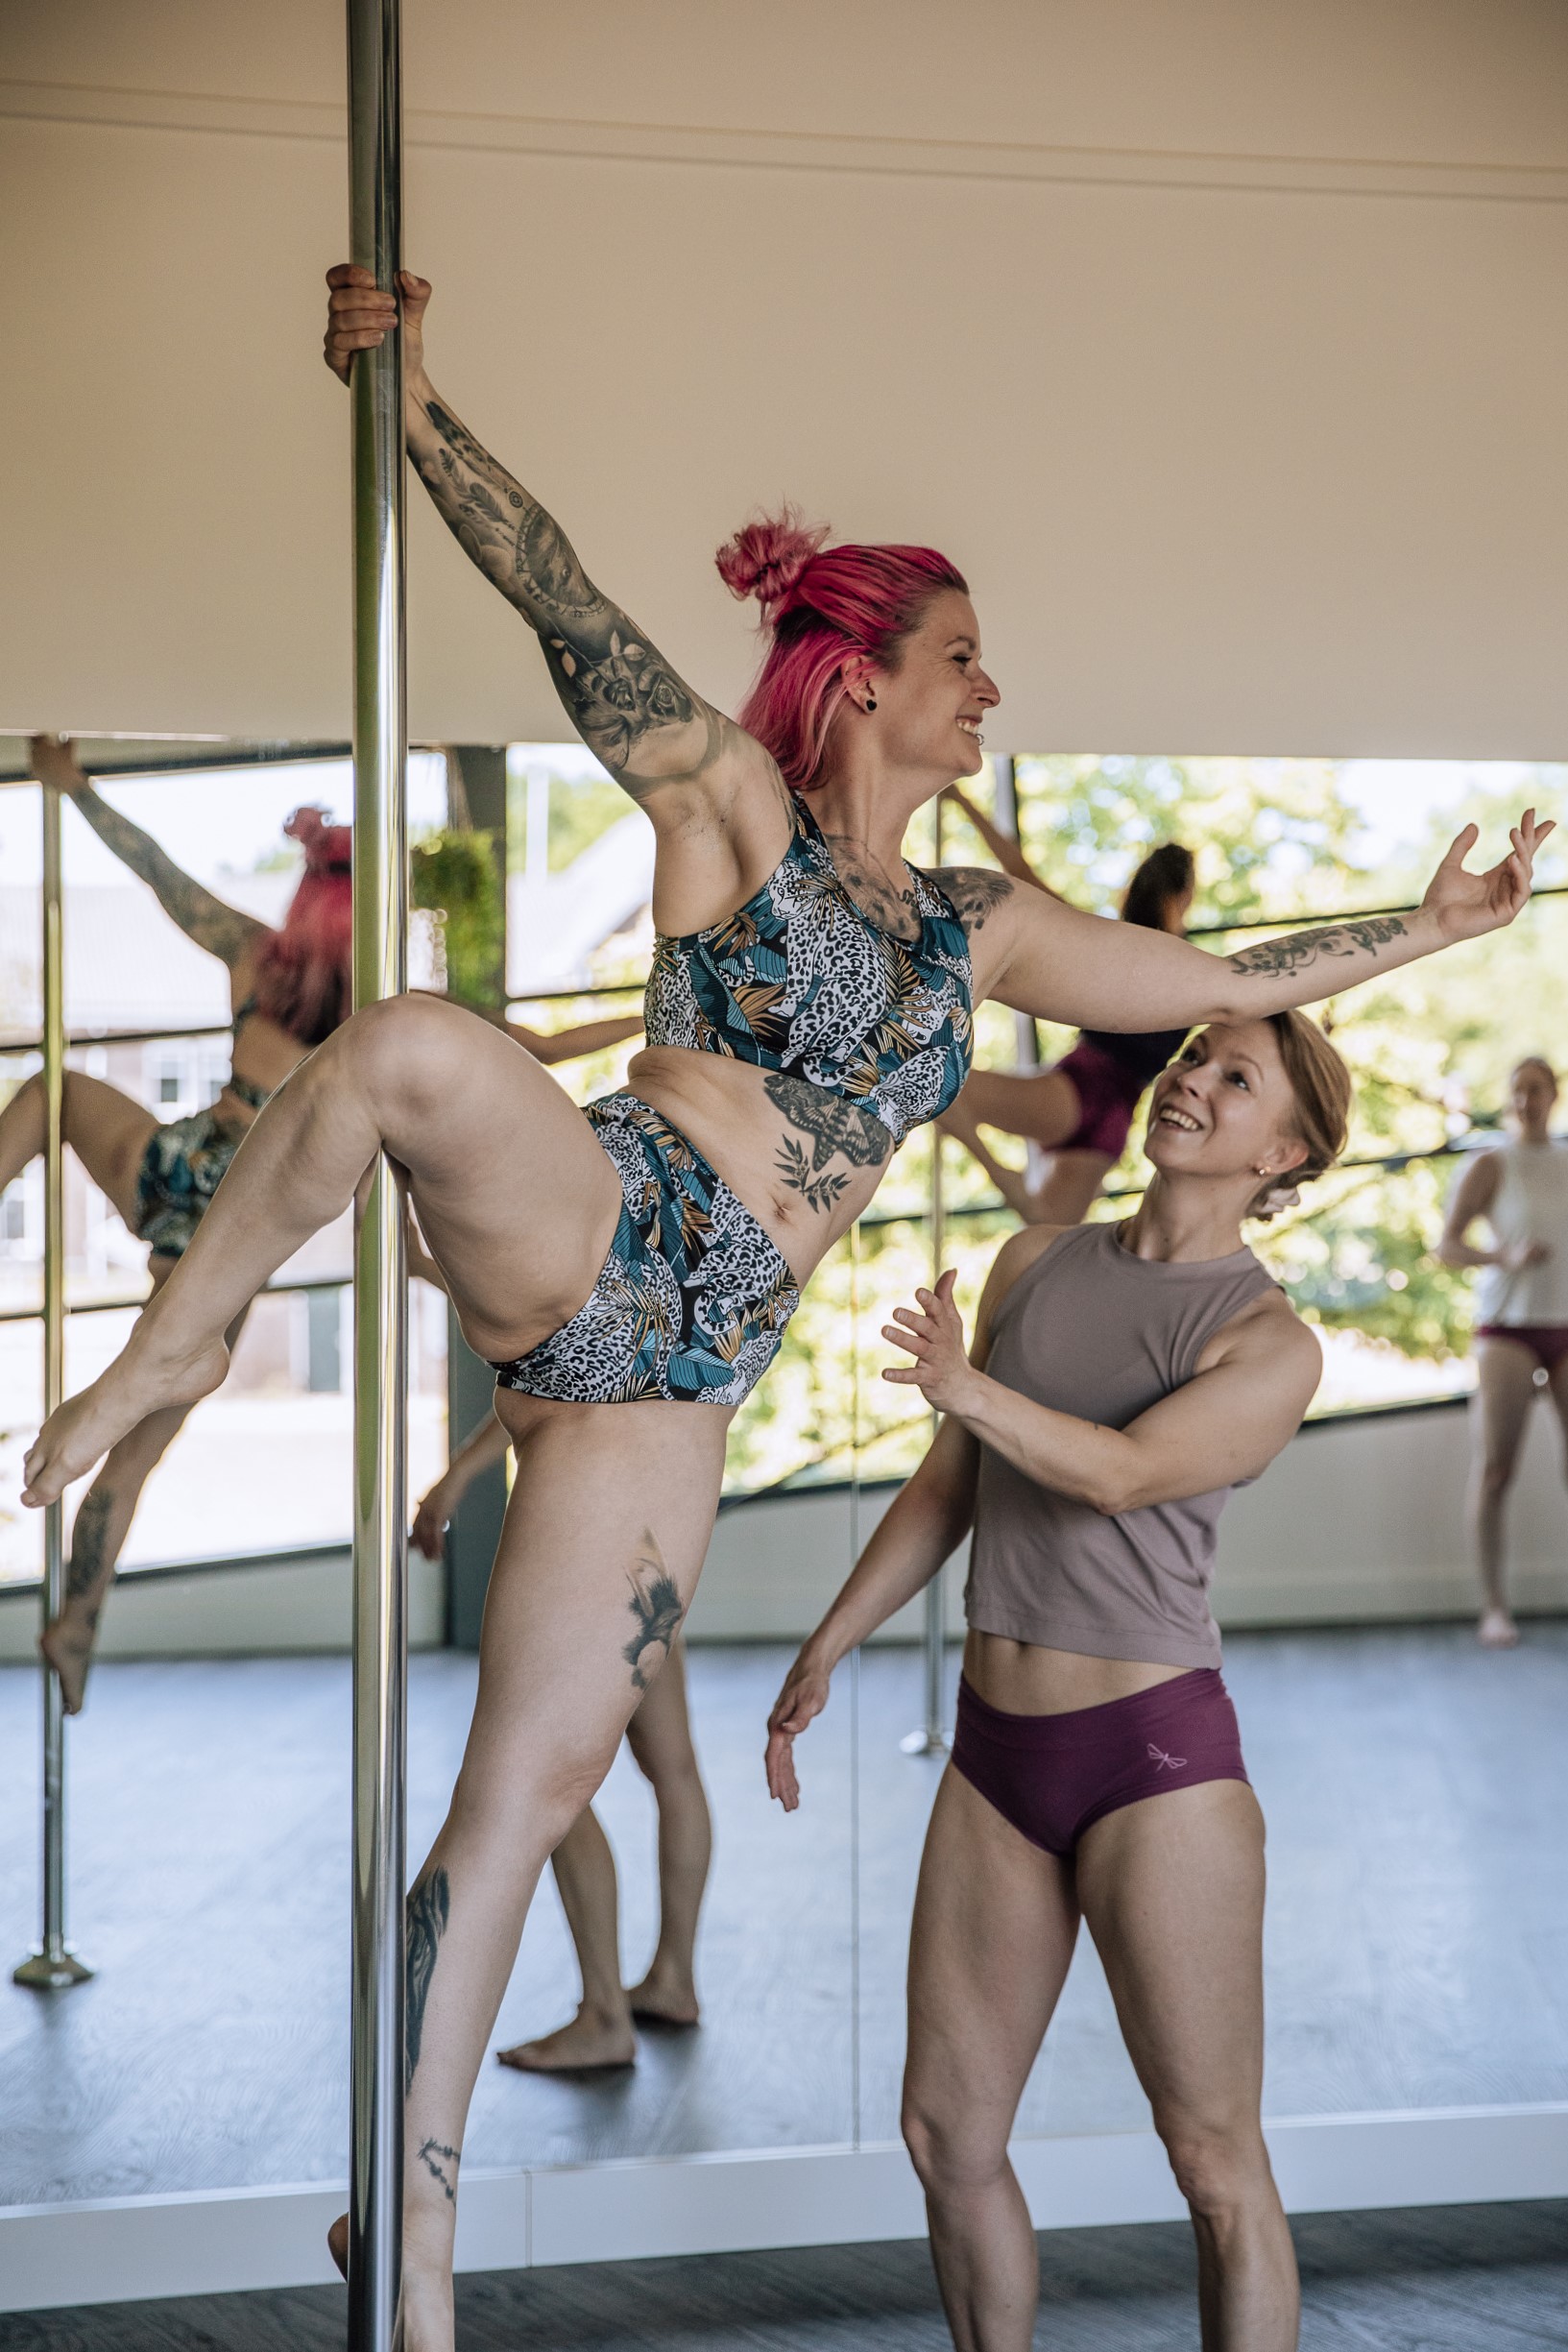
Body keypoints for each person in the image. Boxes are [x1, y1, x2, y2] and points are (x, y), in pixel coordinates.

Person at [16, 259, 1546, 2352]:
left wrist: (1435, 929)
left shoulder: (979, 929)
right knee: (408, 1043)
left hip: (691, 1365)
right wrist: (417, 404)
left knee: (528, 1794)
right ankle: (174, 1346)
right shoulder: (730, 817)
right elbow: (565, 609)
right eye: (961, 660)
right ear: (859, 685)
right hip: (612, 1218)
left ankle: (401, 2210)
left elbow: (1228, 980)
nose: (989, 696)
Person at [766, 1011, 1353, 2352]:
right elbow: (953, 1482)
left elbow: (1122, 1472)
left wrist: (966, 1387)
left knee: (1211, 2160)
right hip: (995, 1757)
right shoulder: (1036, 1260)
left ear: (1287, 1148)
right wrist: (832, 1638)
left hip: (1154, 1761)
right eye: (1193, 1055)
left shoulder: (1270, 1342)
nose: (1191, 1081)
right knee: (944, 2132)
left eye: (1234, 1077)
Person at [8, 734, 637, 1714]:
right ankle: (79, 1619)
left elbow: (157, 872)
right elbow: (542, 1043)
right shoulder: (387, 1015)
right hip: (237, 1224)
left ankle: (78, 1613)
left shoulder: (257, 957)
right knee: (133, 1452)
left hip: (171, 1167)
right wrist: (652, 1027)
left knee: (50, 1093)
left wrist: (75, 788)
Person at [413, 1417, 711, 2070]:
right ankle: (673, 1979)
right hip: (655, 1535)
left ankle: (605, 2012)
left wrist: (461, 1470)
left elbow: (554, 1392)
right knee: (675, 1770)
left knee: (544, 1777)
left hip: (592, 1530)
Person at [939, 781, 1196, 1224]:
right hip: (1108, 1115)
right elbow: (1021, 875)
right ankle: (1008, 1181)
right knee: (1046, 1239)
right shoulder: (1181, 967)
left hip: (1083, 1093)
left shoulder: (1129, 948)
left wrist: (963, 801)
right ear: (1183, 894)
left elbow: (1021, 874)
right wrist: (963, 802)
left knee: (936, 1080)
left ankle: (1006, 1179)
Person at [1436, 1055, 1568, 1648]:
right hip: (1508, 1329)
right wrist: (1503, 1258)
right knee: (1496, 1470)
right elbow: (1447, 1248)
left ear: (1554, 1094)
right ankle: (1494, 1606)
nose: (1525, 1100)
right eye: (1516, 1090)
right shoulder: (1490, 1162)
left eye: (1536, 1090)